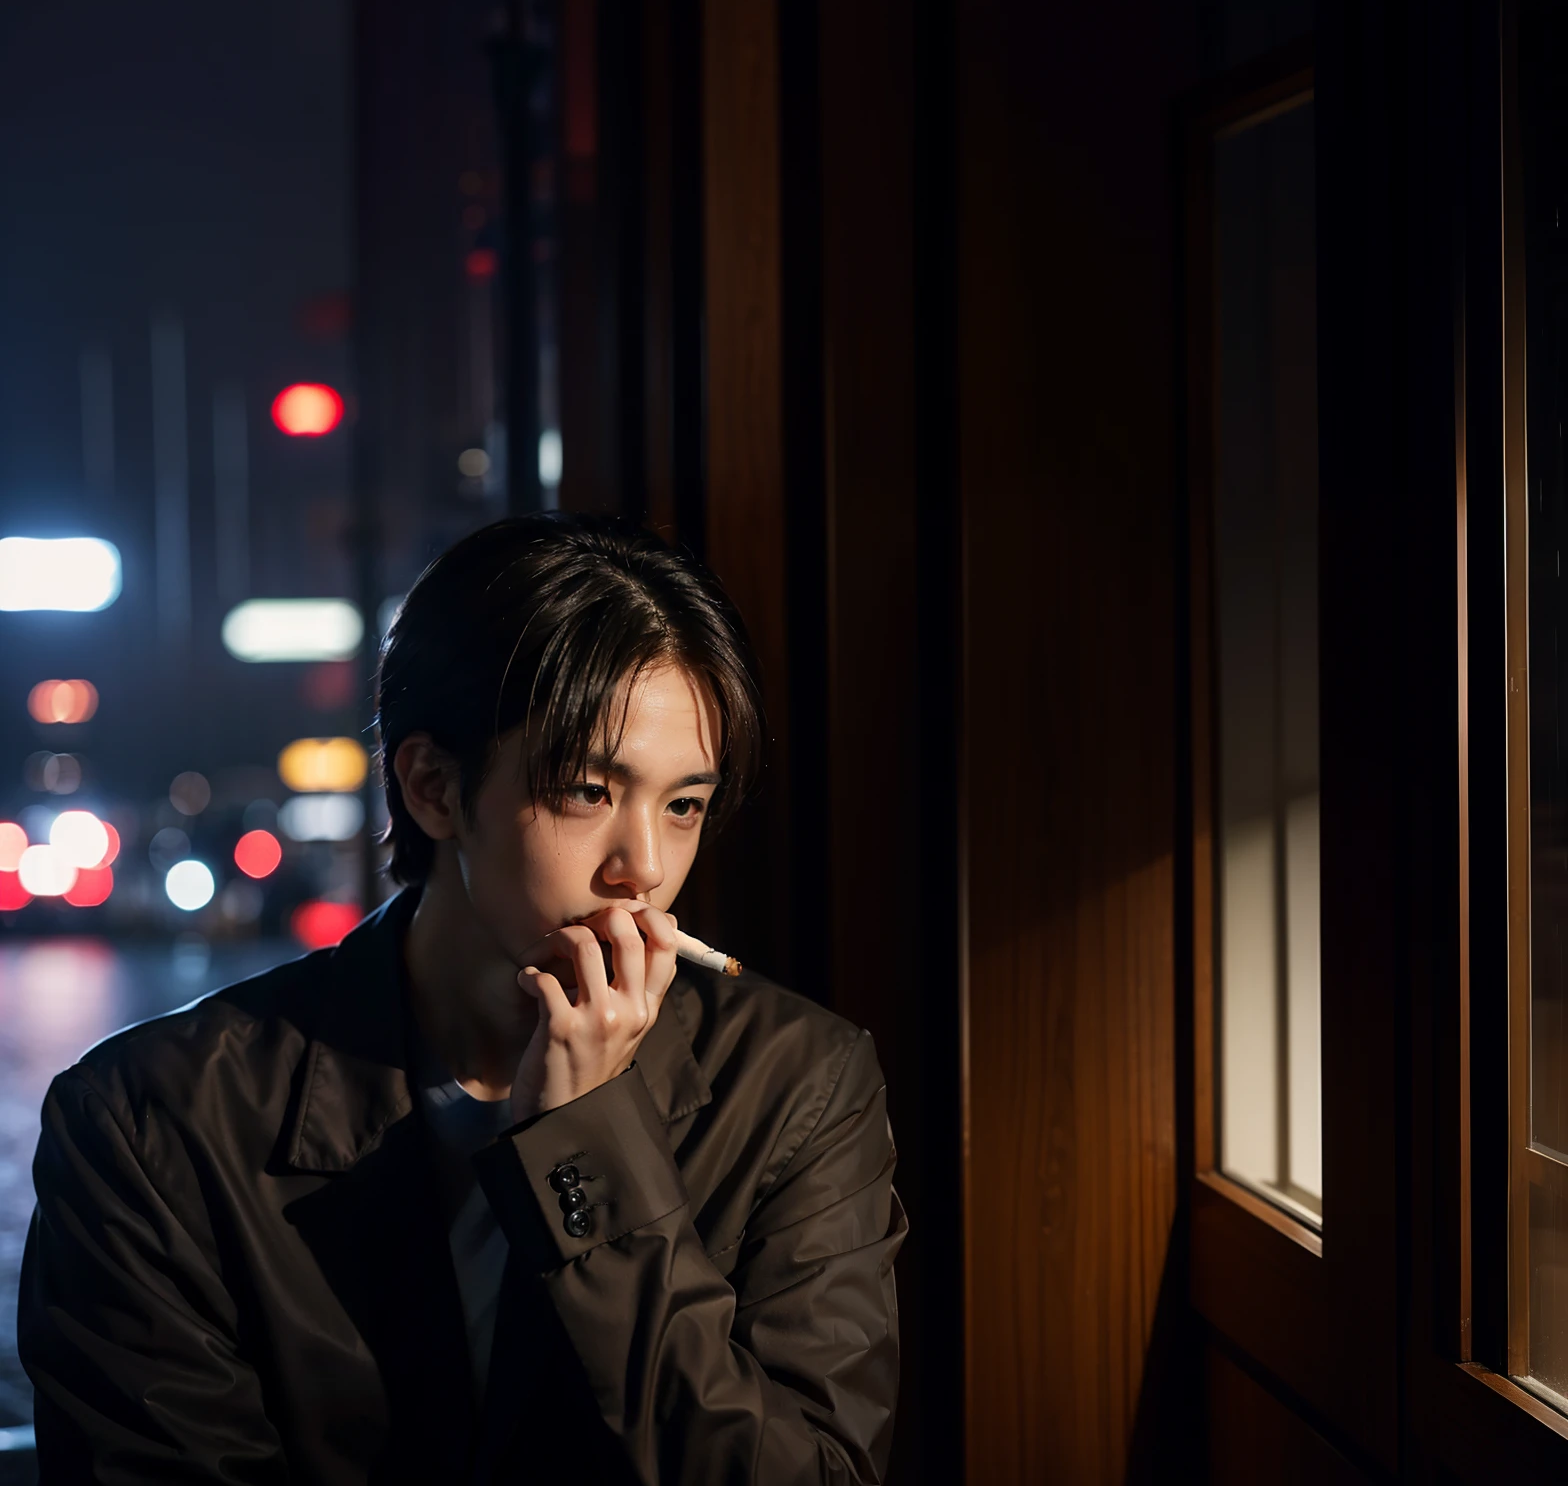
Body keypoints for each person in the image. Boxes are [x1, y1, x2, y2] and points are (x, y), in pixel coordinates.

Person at [20, 515, 905, 1482]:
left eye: (683, 805)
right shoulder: (156, 1125)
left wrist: (588, 1138)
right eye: (587, 792)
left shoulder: (798, 1084)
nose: (643, 868)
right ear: (434, 787)